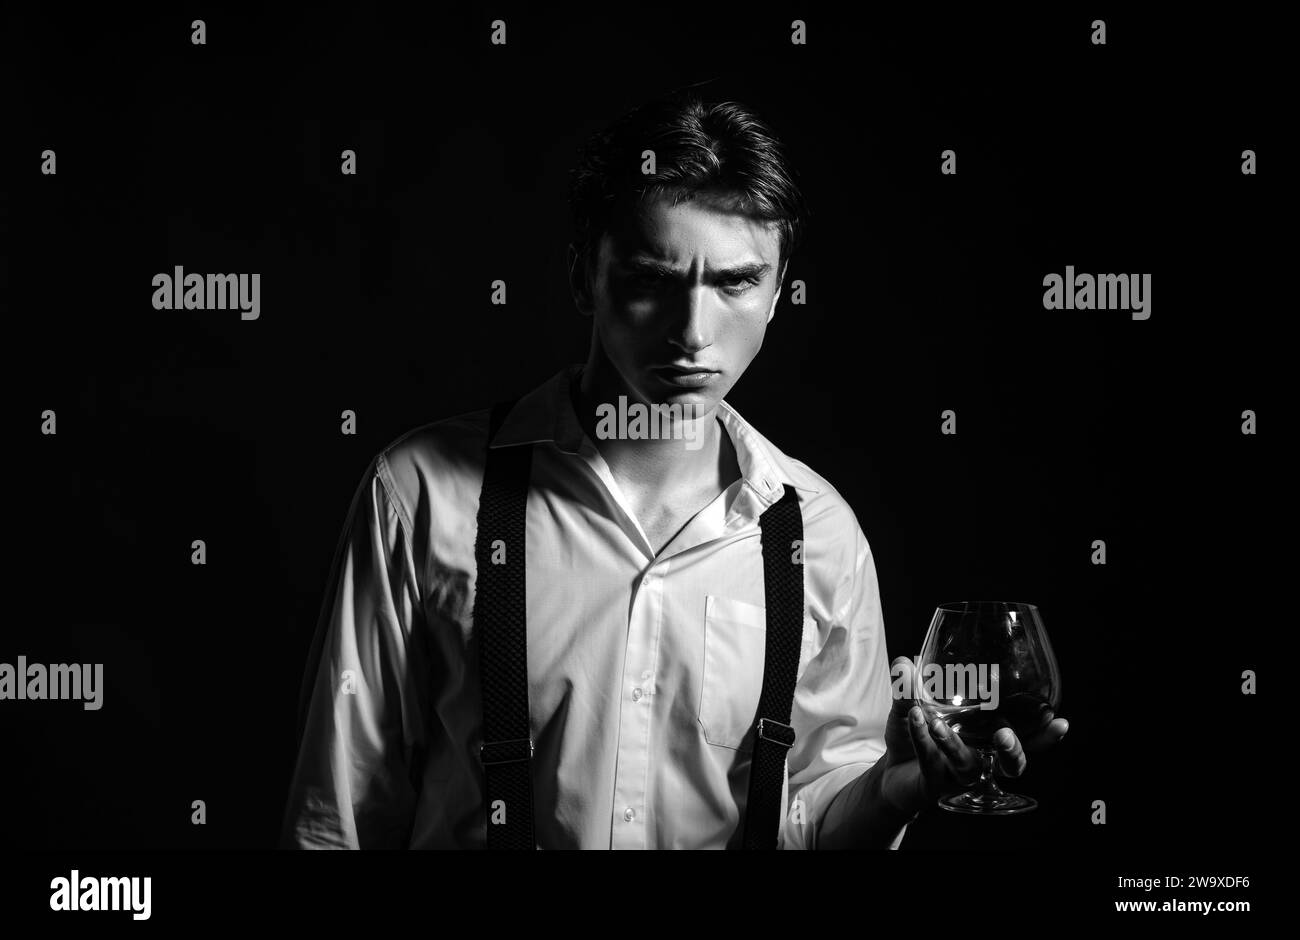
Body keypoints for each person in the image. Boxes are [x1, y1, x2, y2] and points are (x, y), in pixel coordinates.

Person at [280, 91, 1067, 850]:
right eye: (653, 279)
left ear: (778, 293)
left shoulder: (818, 532)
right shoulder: (421, 493)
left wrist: (893, 789)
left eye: (734, 282)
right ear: (584, 276)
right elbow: (339, 816)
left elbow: (813, 823)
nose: (694, 332)